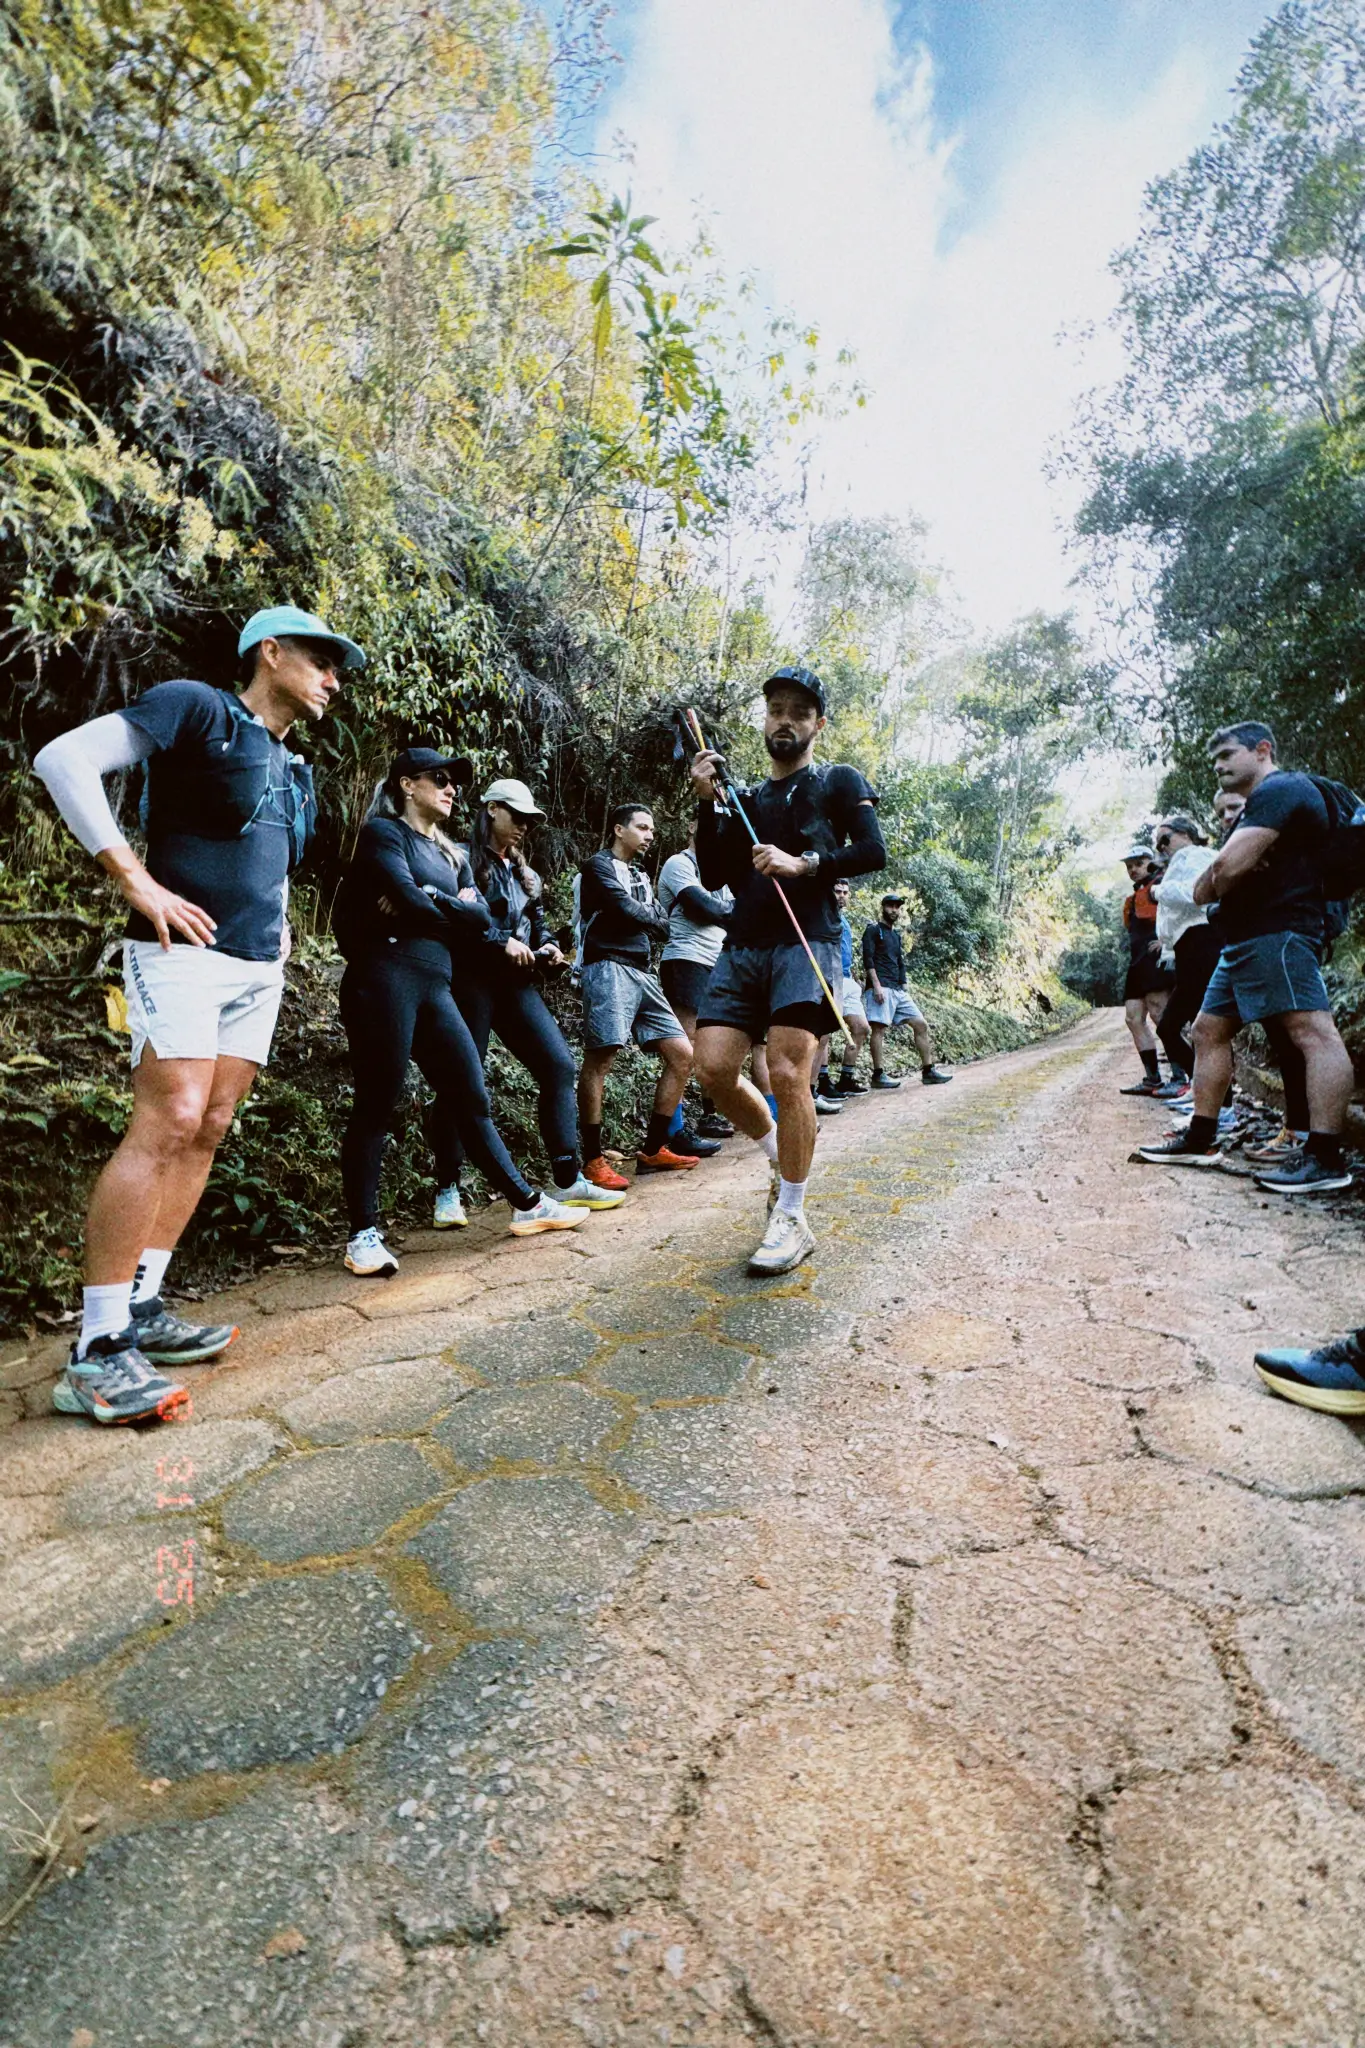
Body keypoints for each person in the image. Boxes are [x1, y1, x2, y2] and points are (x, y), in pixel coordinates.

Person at [32, 605, 363, 1425]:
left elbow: (270, 861)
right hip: (177, 955)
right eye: (321, 661)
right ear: (270, 652)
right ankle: (97, 1348)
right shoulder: (197, 707)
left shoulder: (293, 765)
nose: (333, 680)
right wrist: (134, 881)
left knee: (211, 1124)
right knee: (169, 1117)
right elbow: (62, 759)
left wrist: (280, 934)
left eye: (338, 669)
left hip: (258, 967)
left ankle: (142, 1305)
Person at [334, 750, 585, 1273]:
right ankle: (362, 1234)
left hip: (436, 982)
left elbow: (479, 916)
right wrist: (438, 904)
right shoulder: (384, 834)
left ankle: (528, 1204)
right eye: (440, 780)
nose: (451, 790)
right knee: (378, 1101)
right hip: (384, 978)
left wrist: (432, 900)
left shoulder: (452, 854)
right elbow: (424, 902)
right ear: (407, 784)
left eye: (454, 784)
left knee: (470, 1094)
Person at [689, 666, 887, 1275]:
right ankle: (781, 1153)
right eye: (776, 709)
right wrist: (705, 805)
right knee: (714, 1068)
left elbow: (873, 850)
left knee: (786, 1071)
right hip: (744, 945)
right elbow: (715, 872)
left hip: (809, 944)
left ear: (817, 724)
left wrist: (804, 865)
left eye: (799, 712)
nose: (785, 720)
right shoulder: (745, 798)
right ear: (765, 719)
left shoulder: (837, 781)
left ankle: (793, 1216)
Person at [1138, 721, 1353, 1190]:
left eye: (1228, 754)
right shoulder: (1261, 803)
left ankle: (1324, 1157)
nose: (1219, 765)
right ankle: (1202, 1138)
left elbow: (1223, 867)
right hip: (1244, 938)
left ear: (1262, 750)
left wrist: (1211, 881)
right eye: (1215, 759)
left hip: (1280, 931)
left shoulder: (1282, 789)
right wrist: (1215, 881)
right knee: (1207, 1029)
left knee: (1312, 1032)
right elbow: (1222, 874)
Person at [447, 778, 625, 1215]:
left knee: (558, 1066)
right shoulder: (458, 860)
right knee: (462, 1081)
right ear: (491, 809)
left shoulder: (523, 872)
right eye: (517, 816)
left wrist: (547, 947)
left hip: (515, 984)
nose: (525, 826)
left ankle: (567, 1179)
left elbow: (538, 924)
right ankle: (446, 1188)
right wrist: (499, 942)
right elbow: (454, 921)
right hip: (471, 981)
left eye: (530, 820)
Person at [576, 803, 698, 1185]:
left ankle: (652, 1149)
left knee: (682, 1054)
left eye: (651, 829)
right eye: (642, 828)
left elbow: (662, 923)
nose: (649, 835)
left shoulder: (642, 874)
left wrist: (645, 916)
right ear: (618, 830)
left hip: (642, 972)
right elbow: (626, 910)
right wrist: (647, 917)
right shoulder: (597, 866)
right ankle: (593, 1159)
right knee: (602, 1058)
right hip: (608, 964)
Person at [655, 832, 733, 1148]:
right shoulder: (679, 863)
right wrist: (725, 908)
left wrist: (725, 909)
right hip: (686, 960)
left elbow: (736, 912)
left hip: (717, 962)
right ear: (692, 828)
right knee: (684, 1046)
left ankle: (709, 1114)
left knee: (711, 1046)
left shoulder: (720, 873)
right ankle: (672, 1131)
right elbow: (707, 909)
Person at [1150, 816, 1217, 1098]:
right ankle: (1204, 1094)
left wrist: (1157, 891)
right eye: (1157, 844)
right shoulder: (1182, 860)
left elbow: (1195, 894)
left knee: (1197, 1029)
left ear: (1187, 834)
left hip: (1203, 941)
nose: (1161, 847)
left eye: (1165, 839)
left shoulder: (1197, 855)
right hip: (1188, 947)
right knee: (1198, 1029)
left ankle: (1215, 1102)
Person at [861, 894, 951, 1088]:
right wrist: (876, 985)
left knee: (920, 1024)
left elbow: (900, 962)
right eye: (890, 906)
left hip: (897, 989)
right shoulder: (873, 931)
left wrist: (904, 985)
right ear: (883, 907)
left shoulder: (895, 935)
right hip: (881, 986)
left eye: (897, 907)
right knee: (879, 1029)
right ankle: (878, 1075)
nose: (894, 910)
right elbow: (868, 959)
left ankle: (928, 1071)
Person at [1118, 845, 1174, 1095]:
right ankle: (1153, 1078)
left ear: (1150, 862)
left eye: (1138, 864)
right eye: (1129, 866)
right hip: (1137, 962)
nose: (1133, 870)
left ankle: (1181, 1077)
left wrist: (1168, 942)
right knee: (1133, 1017)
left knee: (1160, 1015)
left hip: (1156, 960)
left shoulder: (1162, 886)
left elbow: (1180, 912)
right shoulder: (1133, 899)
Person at [828, 876, 870, 1096]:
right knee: (825, 1031)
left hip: (846, 978)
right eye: (837, 891)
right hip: (830, 977)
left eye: (845, 892)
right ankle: (822, 1081)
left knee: (861, 1028)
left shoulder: (843, 920)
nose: (841, 896)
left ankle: (846, 1077)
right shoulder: (824, 915)